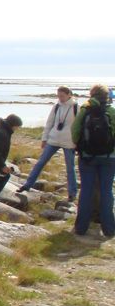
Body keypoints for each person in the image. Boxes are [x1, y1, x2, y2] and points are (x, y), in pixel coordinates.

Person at [17, 86, 78, 201]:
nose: (60, 98)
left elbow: (79, 126)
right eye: (58, 96)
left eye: (62, 96)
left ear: (69, 94)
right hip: (53, 139)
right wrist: (44, 139)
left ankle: (72, 193)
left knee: (70, 168)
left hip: (69, 142)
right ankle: (27, 185)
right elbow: (49, 123)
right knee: (40, 162)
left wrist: (77, 142)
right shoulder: (56, 106)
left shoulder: (76, 107)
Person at [72, 84, 115, 237]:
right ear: (107, 96)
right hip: (109, 158)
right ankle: (109, 229)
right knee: (107, 191)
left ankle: (81, 228)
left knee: (86, 191)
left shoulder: (85, 110)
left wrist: (80, 146)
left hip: (87, 157)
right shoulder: (111, 111)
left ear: (92, 95)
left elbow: (75, 131)